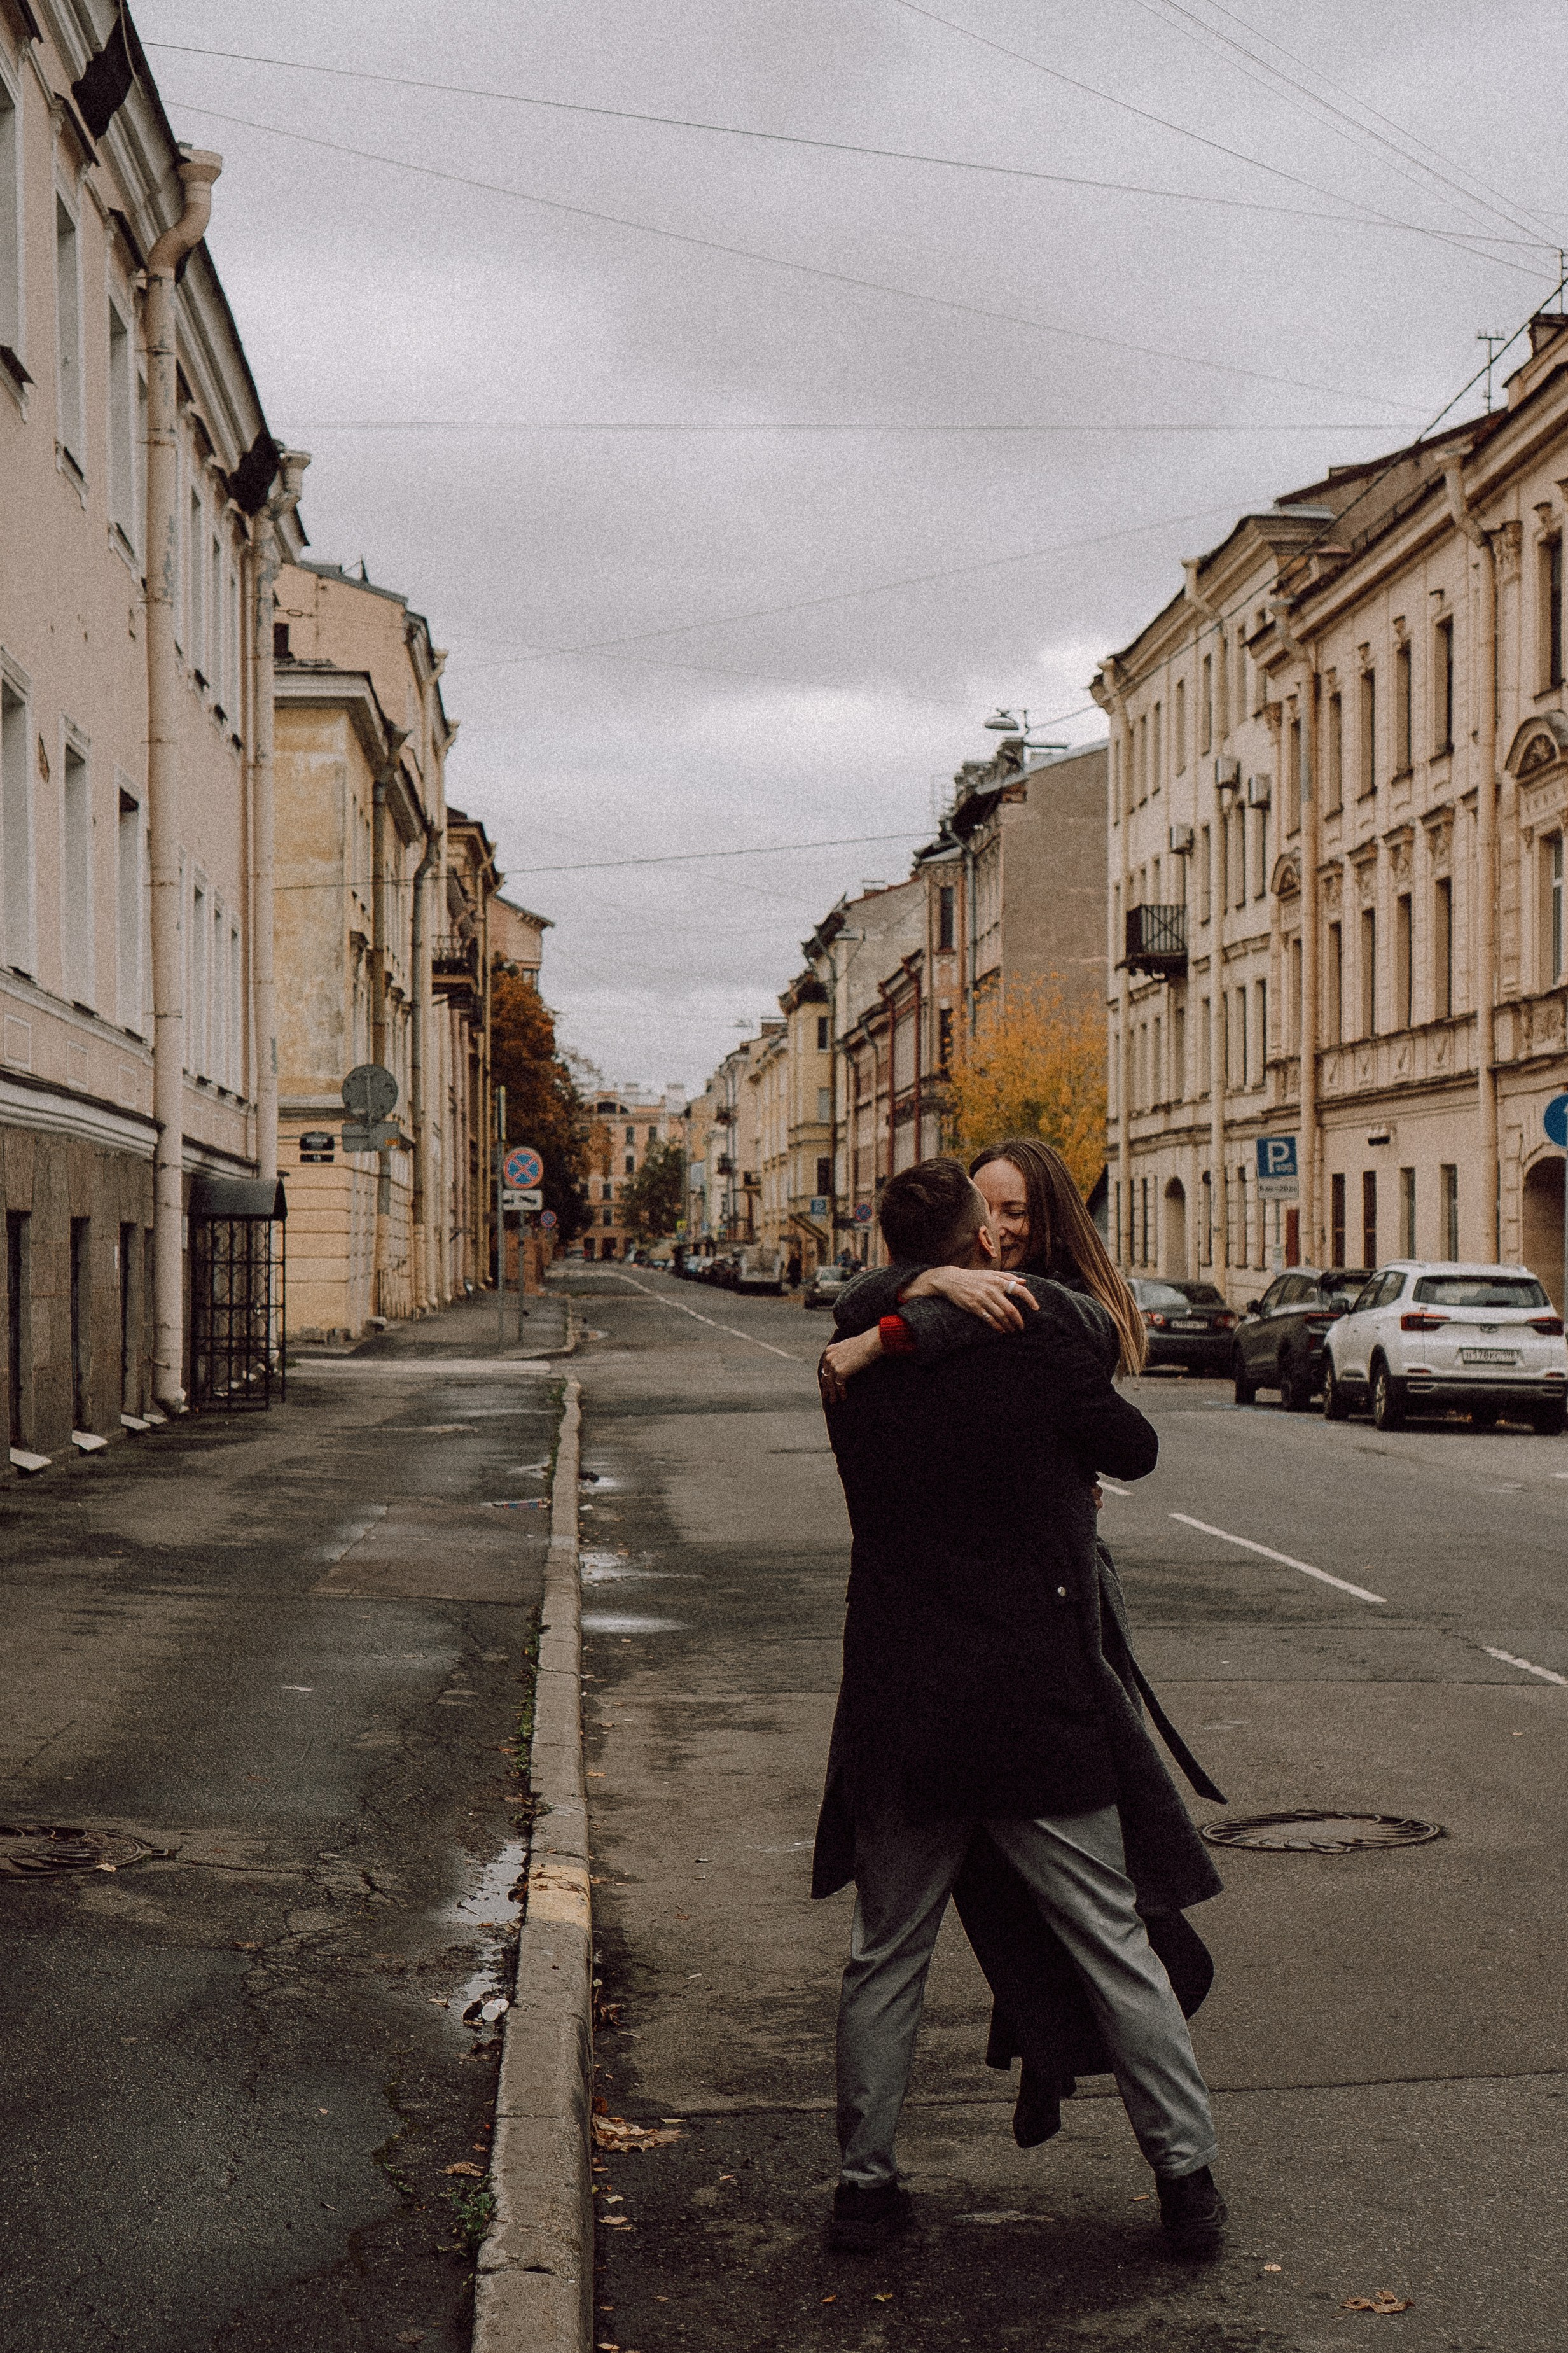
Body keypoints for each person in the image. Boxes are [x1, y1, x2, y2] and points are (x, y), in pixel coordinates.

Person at [814, 1156, 1226, 2258]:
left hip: (902, 1709)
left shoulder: (847, 1368)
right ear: (979, 1245)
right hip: (1032, 1702)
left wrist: (897, 1312)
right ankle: (1185, 2179)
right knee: (1111, 1938)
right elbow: (1132, 1446)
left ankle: (864, 2189)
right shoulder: (1043, 1346)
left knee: (884, 1953)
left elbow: (860, 1313)